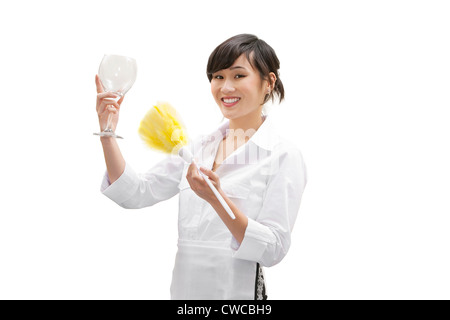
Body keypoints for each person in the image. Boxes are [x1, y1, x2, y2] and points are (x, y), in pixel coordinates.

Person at [96, 34, 307, 300]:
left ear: (269, 82)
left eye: (238, 76)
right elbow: (137, 192)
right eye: (217, 77)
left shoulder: (283, 156)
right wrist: (107, 132)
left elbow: (273, 249)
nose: (225, 87)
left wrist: (217, 200)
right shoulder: (196, 149)